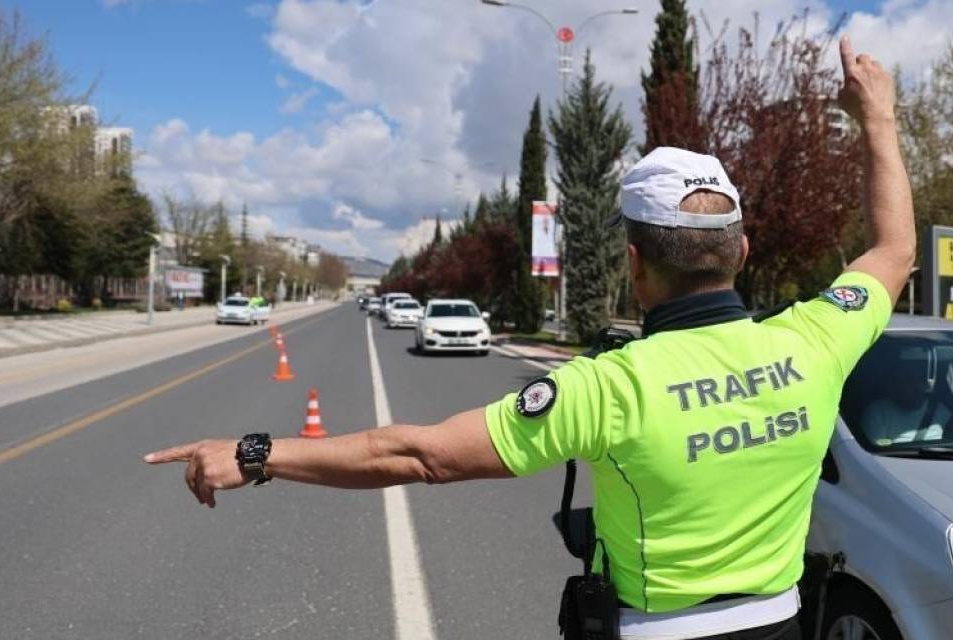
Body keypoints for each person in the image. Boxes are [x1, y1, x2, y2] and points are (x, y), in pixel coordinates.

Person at [145, 37, 914, 640]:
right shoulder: (816, 341)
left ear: (634, 262)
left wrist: (256, 454)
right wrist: (876, 115)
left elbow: (420, 455)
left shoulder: (610, 388)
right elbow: (892, 253)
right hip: (781, 624)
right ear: (741, 252)